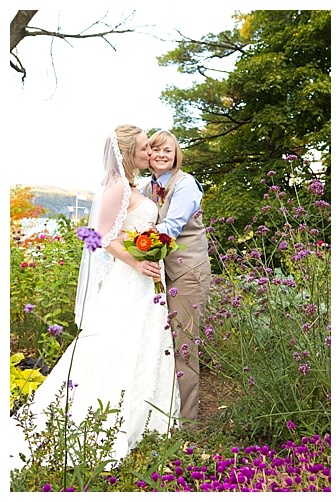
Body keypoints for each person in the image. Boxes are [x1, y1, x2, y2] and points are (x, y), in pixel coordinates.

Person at [9, 125, 180, 471]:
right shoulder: (117, 187)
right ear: (130, 152)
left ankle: (149, 420)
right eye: (145, 148)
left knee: (144, 344)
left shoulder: (133, 185)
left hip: (143, 282)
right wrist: (137, 262)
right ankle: (105, 421)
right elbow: (103, 237)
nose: (150, 153)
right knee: (115, 347)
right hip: (128, 279)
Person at [140, 130, 211, 423]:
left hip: (187, 272)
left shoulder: (186, 185)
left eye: (167, 150)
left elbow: (172, 225)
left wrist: (137, 244)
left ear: (176, 155)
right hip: (157, 275)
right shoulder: (145, 189)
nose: (160, 155)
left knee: (183, 344)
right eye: (155, 149)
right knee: (157, 342)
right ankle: (160, 414)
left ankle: (188, 421)